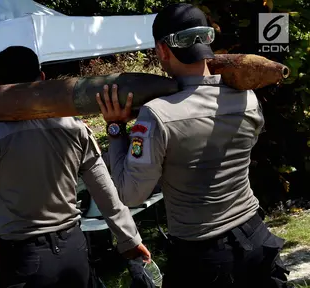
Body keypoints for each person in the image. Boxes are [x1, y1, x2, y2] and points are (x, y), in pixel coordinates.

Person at [96, 3, 291, 288]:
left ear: (162, 50)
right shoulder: (246, 99)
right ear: (208, 40)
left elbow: (131, 194)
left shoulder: (156, 115)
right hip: (256, 238)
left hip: (203, 256)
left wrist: (116, 129)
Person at [0, 46, 150, 288]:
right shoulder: (75, 128)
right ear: (42, 79)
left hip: (23, 260)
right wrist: (130, 240)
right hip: (73, 253)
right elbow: (106, 193)